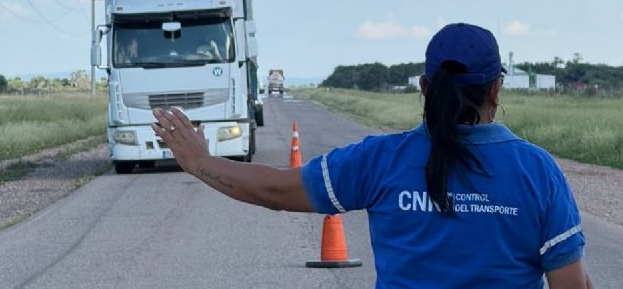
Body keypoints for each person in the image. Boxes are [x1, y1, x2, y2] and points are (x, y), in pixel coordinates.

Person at [151, 23, 592, 289]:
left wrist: (200, 162)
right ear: (496, 87)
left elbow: (275, 189)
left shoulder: (381, 160)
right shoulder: (537, 171)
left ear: (424, 86)